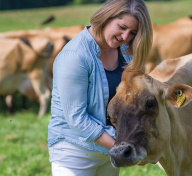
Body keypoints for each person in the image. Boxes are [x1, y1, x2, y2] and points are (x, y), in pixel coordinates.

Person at [47, 0, 153, 175]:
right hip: (75, 153)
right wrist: (124, 149)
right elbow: (77, 119)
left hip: (109, 152)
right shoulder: (74, 57)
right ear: (106, 17)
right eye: (122, 27)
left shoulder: (125, 51)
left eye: (133, 32)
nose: (125, 36)